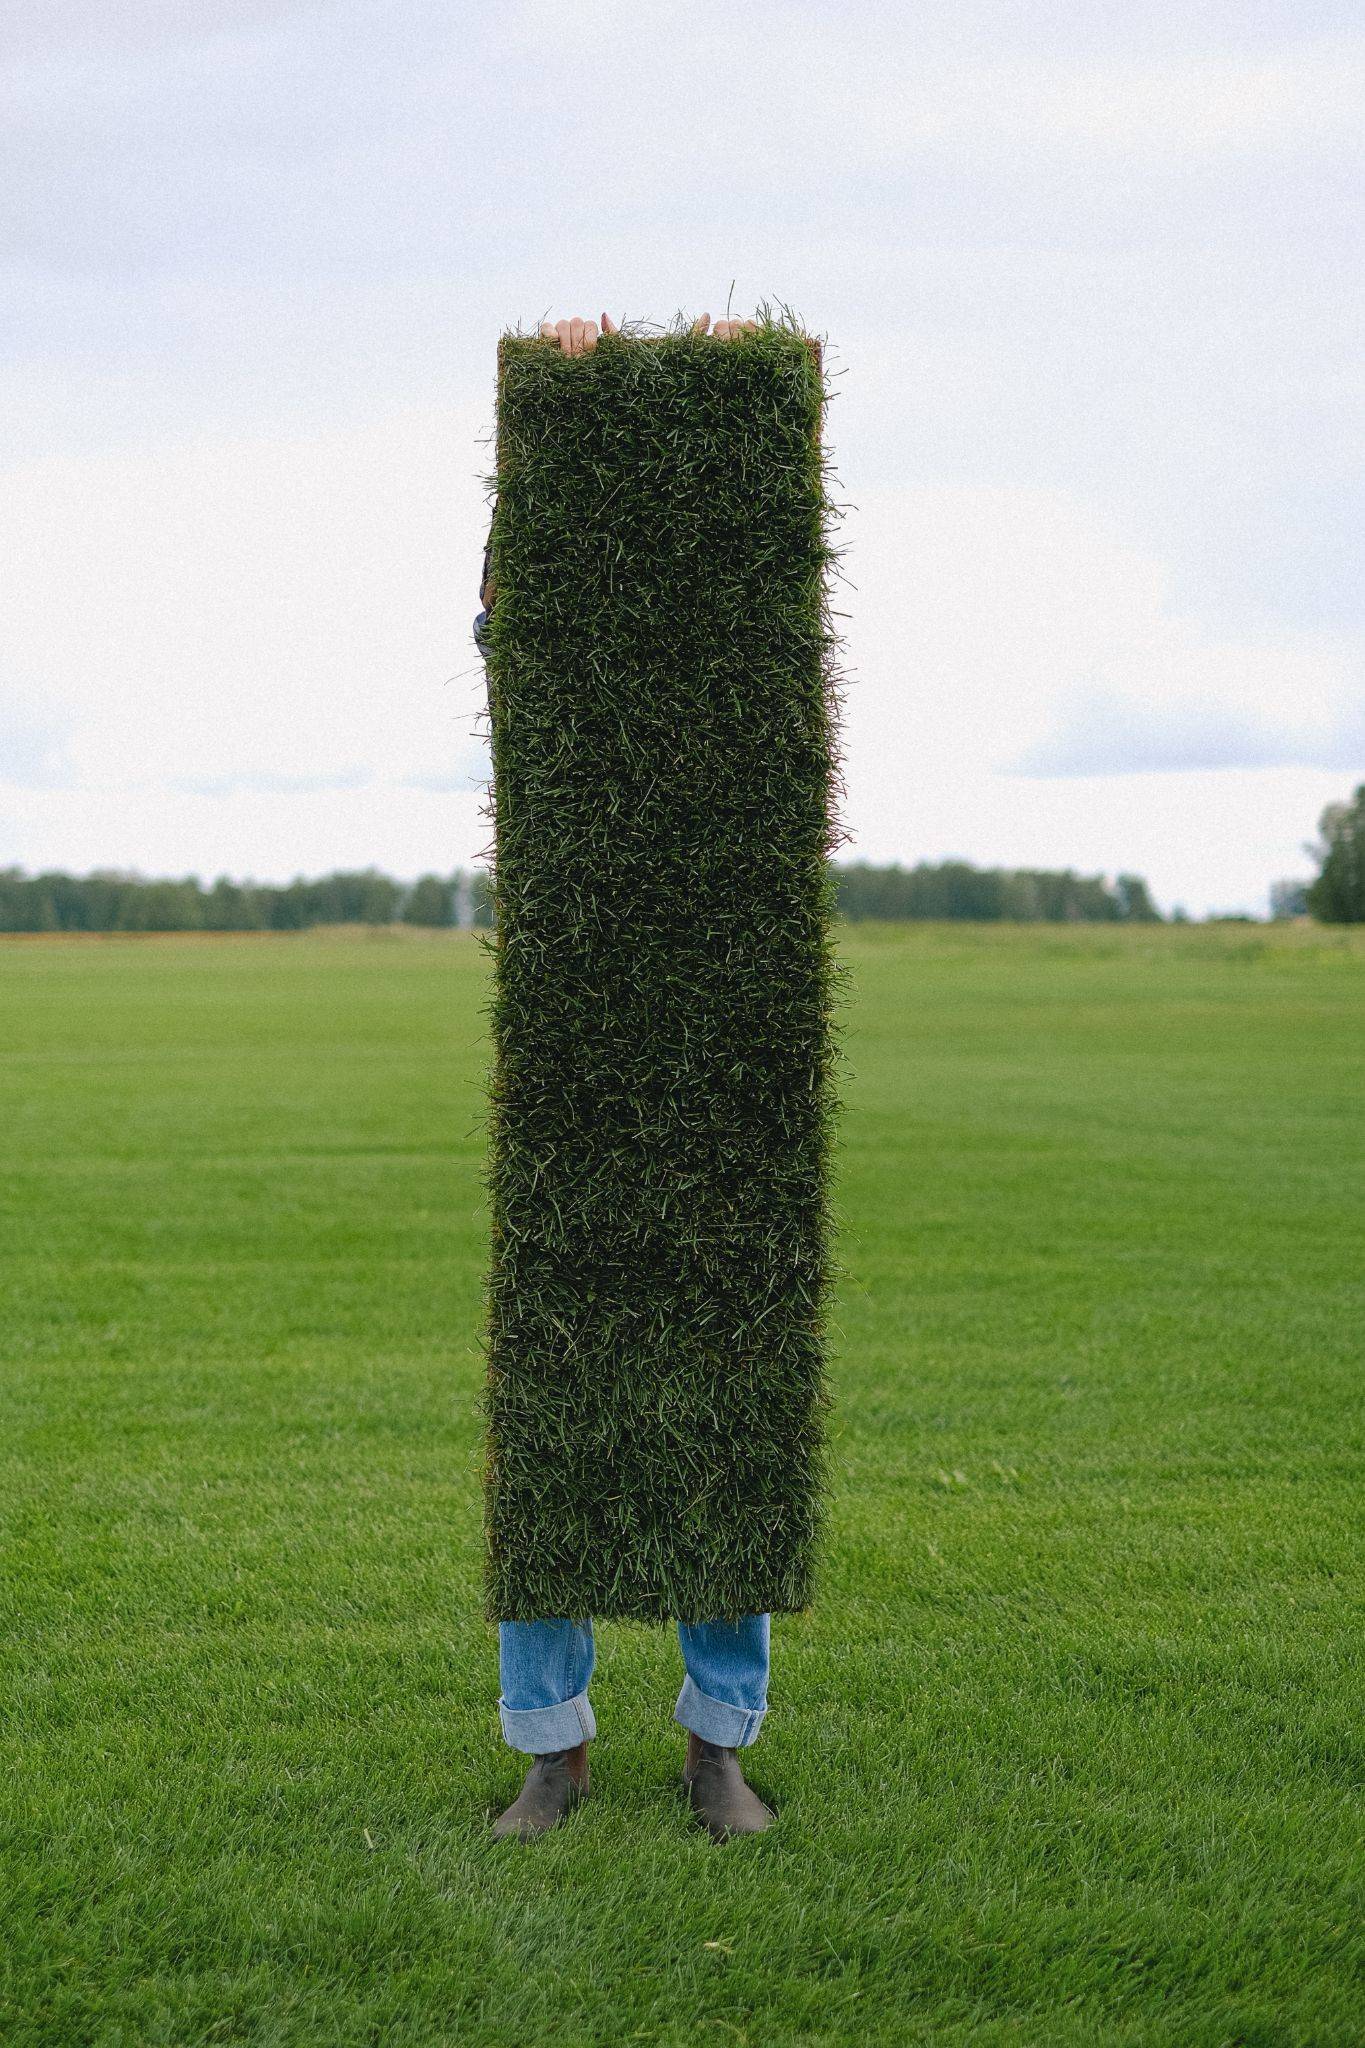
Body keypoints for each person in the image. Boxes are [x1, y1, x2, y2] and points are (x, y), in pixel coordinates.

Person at [475, 309, 776, 1844]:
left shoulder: (744, 722)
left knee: (731, 1400)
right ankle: (554, 1746)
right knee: (559, 1422)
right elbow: (506, 621)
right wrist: (553, 423)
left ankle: (716, 1743)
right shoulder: (561, 730)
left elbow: (760, 575)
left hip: (729, 1050)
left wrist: (736, 388)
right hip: (574, 1052)